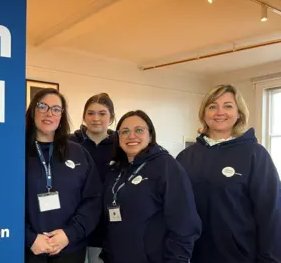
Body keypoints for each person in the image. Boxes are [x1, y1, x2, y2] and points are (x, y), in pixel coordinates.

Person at [176, 84, 281, 263]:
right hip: (193, 256)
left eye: (228, 106)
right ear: (203, 114)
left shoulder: (255, 154)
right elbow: (176, 210)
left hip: (241, 256)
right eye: (212, 106)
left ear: (239, 113)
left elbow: (271, 214)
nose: (220, 112)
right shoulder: (186, 157)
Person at [102, 110, 201, 263]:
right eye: (125, 131)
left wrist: (178, 259)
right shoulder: (116, 170)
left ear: (151, 135)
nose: (131, 136)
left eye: (139, 130)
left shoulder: (167, 166)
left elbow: (184, 222)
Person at [25, 88, 103, 263]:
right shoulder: (15, 150)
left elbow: (93, 200)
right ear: (32, 111)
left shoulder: (78, 152)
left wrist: (69, 234)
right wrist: (29, 238)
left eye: (56, 109)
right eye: (42, 106)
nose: (49, 113)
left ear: (62, 115)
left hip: (70, 249)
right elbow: (1, 202)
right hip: (28, 250)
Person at [69, 93, 116, 263]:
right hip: (73, 225)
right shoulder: (69, 143)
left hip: (107, 228)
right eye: (90, 113)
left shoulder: (121, 146)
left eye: (102, 113)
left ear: (111, 117)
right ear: (83, 116)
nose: (96, 118)